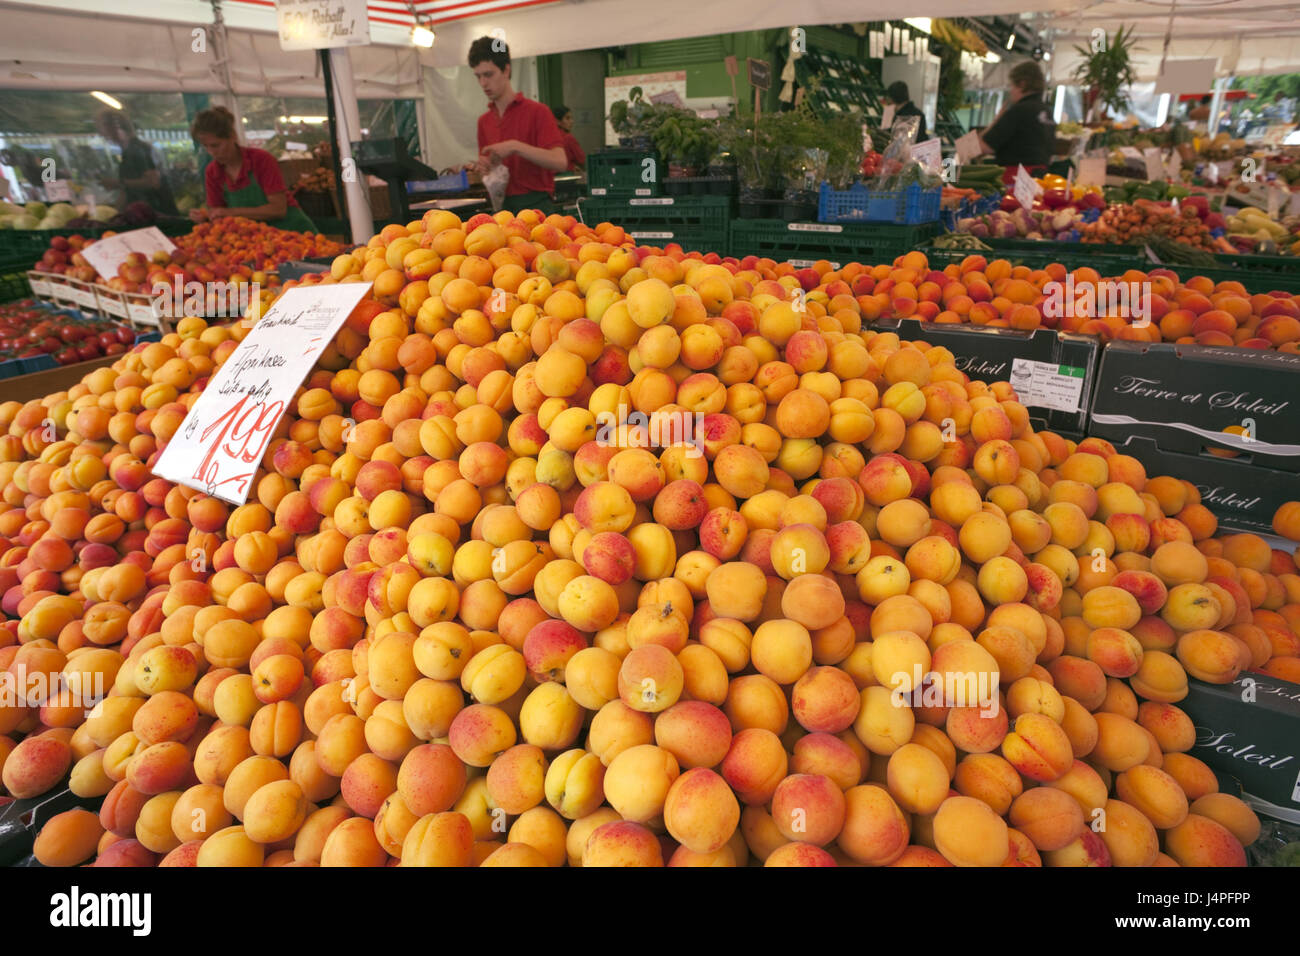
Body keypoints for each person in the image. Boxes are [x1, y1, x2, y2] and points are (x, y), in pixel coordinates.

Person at [469, 36, 567, 214]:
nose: (483, 83)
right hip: (501, 207)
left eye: (488, 74)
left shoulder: (538, 112)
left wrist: (516, 147)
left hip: (537, 206)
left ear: (506, 70)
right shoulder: (484, 121)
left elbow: (560, 161)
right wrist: (485, 167)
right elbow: (489, 171)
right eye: (478, 76)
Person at [188, 106, 317, 231]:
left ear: (232, 136)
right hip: (255, 240)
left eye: (215, 145)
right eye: (205, 147)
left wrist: (228, 212)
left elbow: (278, 209)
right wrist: (206, 217)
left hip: (294, 233)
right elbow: (217, 215)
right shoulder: (212, 172)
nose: (211, 152)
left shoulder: (261, 160)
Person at [978, 61, 1057, 178]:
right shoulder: (1047, 112)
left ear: (1022, 84)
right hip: (1040, 178)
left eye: (1012, 86)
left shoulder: (1018, 111)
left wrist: (996, 120)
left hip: (1014, 179)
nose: (1010, 91)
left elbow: (984, 147)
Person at [96, 110, 179, 216]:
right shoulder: (127, 153)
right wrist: (115, 213)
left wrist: (117, 183)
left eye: (104, 131)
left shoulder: (139, 149)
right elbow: (126, 192)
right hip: (143, 216)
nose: (104, 136)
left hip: (158, 216)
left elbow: (153, 182)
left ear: (116, 128)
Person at [552, 105, 586, 174]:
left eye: (571, 118)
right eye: (567, 118)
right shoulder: (568, 138)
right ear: (558, 121)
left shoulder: (549, 137)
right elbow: (581, 159)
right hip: (568, 176)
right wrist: (571, 167)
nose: (572, 121)